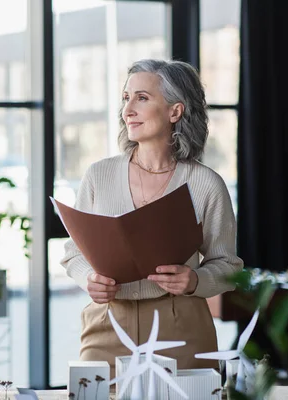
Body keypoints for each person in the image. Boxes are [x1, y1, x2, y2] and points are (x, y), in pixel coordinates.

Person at [60, 59, 243, 377]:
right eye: (126, 98)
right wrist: (89, 279)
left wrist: (195, 280)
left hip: (181, 325)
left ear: (175, 111)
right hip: (108, 322)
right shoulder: (98, 175)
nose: (128, 110)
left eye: (142, 98)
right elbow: (74, 252)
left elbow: (229, 267)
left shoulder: (206, 184)